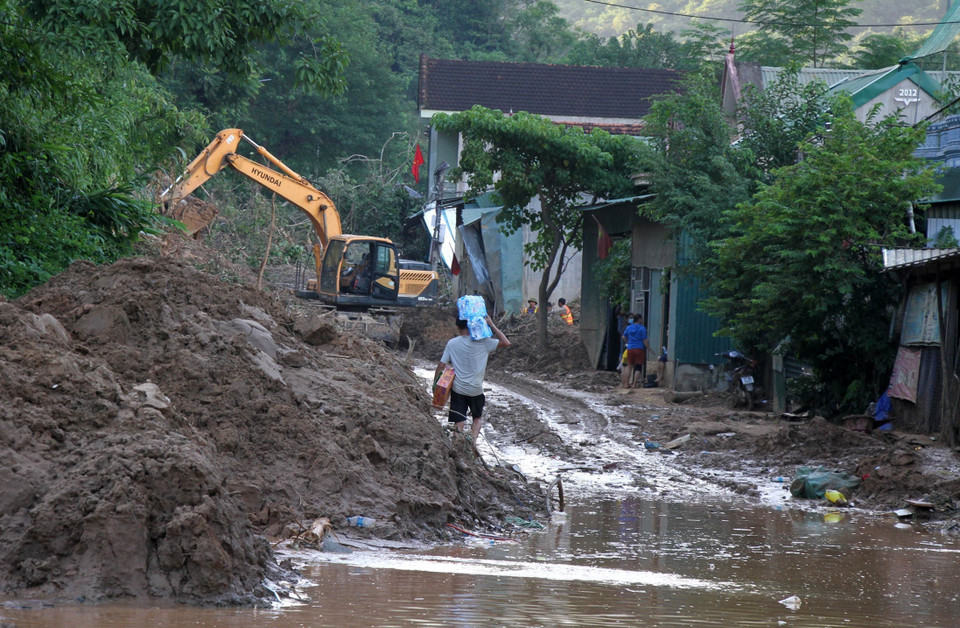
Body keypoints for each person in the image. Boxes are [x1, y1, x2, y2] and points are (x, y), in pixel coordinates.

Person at [435, 313, 511, 442]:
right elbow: (506, 342)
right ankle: (473, 442)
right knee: (477, 417)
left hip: (458, 389)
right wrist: (491, 324)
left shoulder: (452, 343)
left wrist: (436, 384)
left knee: (459, 419)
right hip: (476, 389)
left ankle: (457, 441)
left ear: (458, 327)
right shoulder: (484, 342)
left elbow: (442, 365)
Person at [621, 314, 649, 389]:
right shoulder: (642, 328)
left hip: (630, 348)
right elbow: (645, 340)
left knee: (629, 367)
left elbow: (623, 336)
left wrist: (627, 342)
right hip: (639, 348)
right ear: (639, 319)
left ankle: (626, 384)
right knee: (638, 367)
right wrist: (648, 347)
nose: (642, 320)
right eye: (642, 319)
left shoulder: (629, 327)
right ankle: (634, 384)